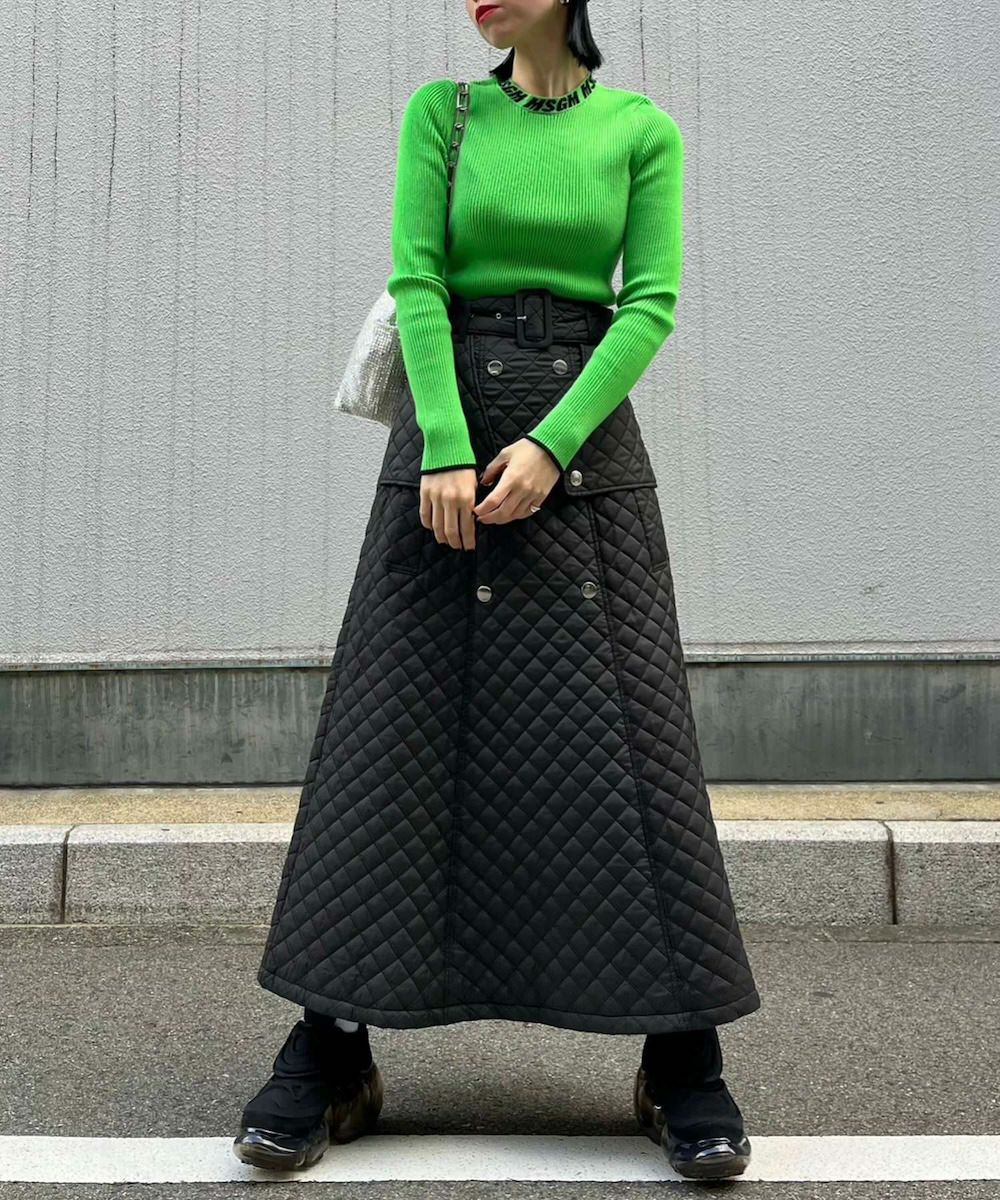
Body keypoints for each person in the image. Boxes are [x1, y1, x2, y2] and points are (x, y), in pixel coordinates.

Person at [233, 0, 761, 1182]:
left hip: (583, 456)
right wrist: (444, 441)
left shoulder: (639, 129)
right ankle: (329, 1048)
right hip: (444, 453)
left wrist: (554, 444)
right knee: (388, 737)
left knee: (631, 752)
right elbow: (417, 280)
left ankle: (683, 1058)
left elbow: (649, 303)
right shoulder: (446, 113)